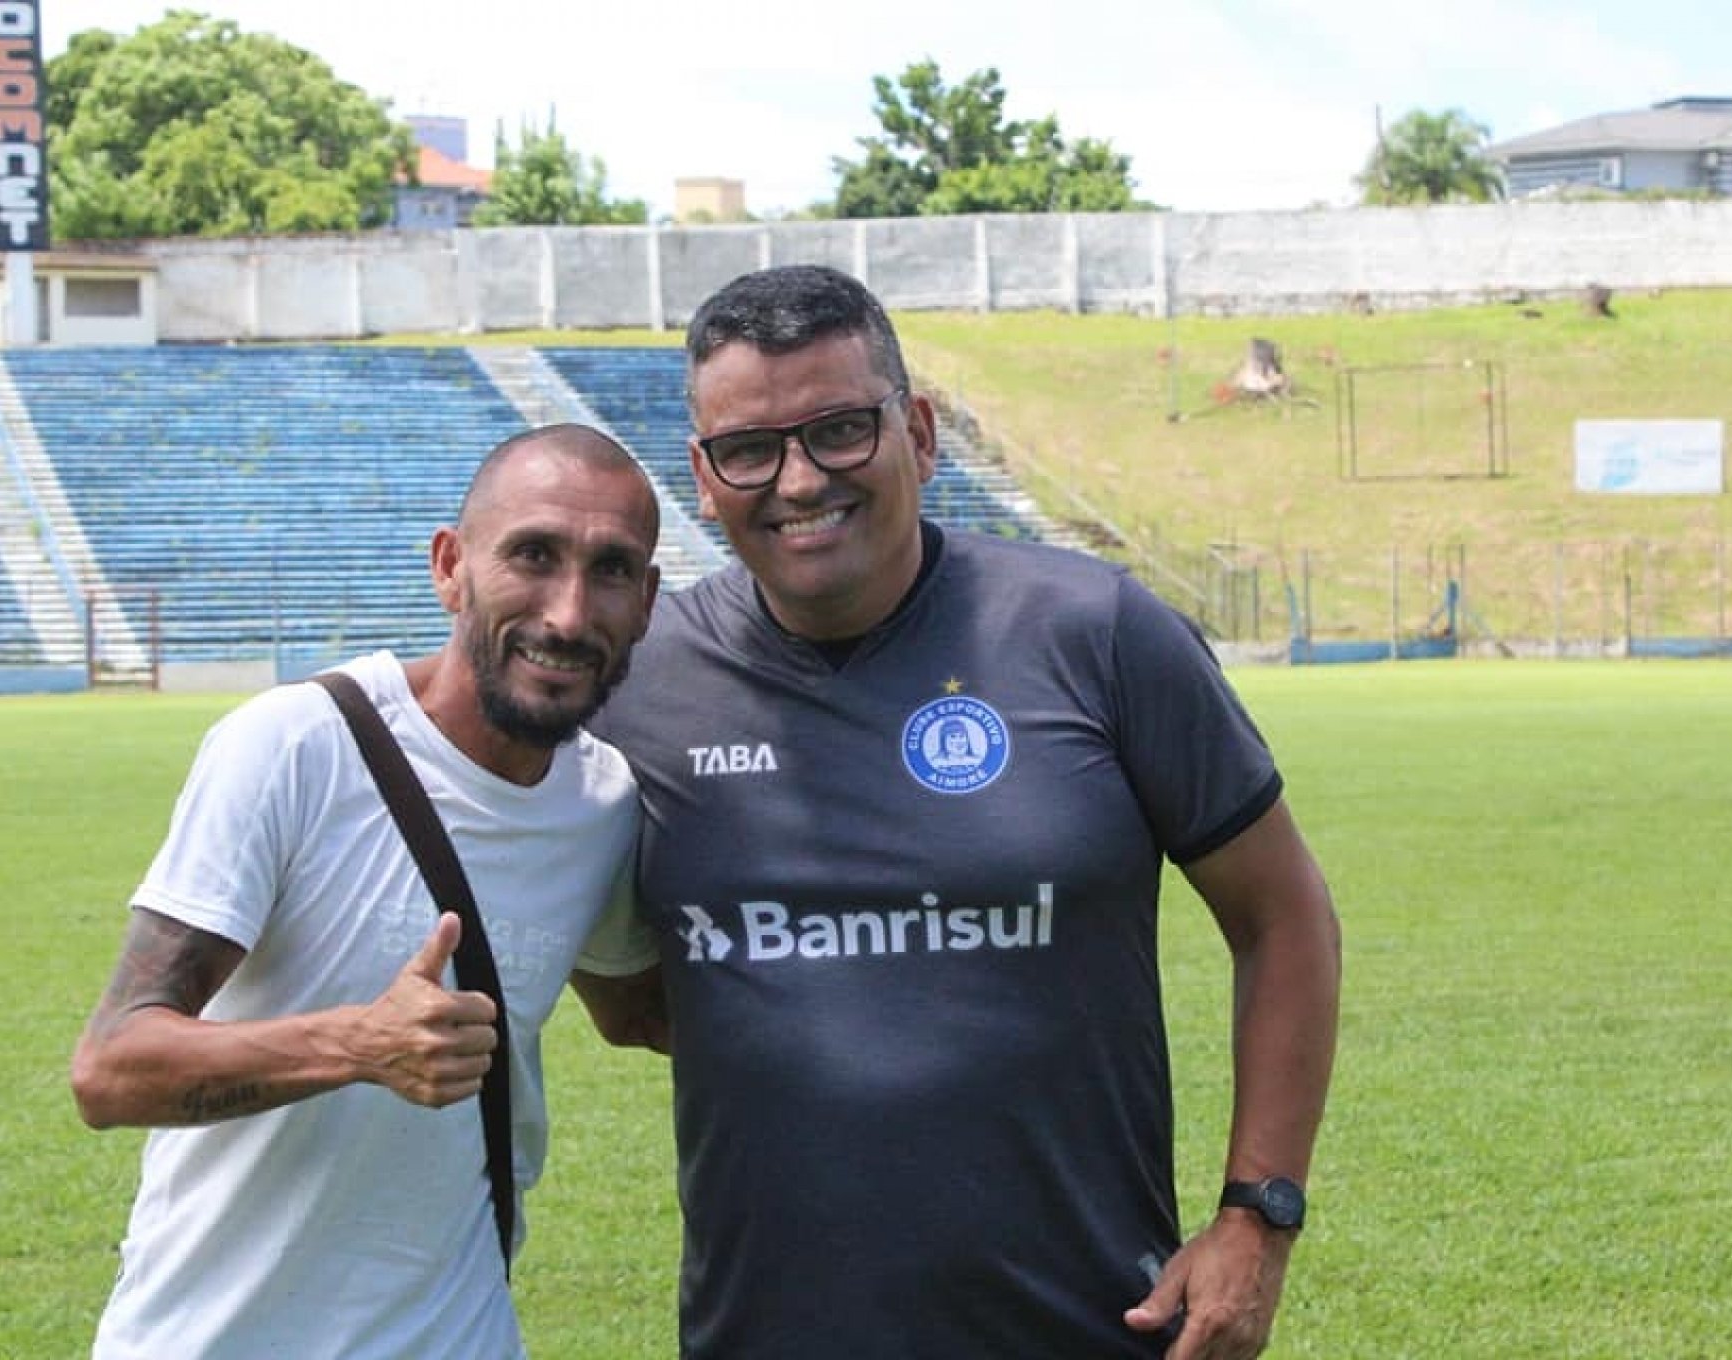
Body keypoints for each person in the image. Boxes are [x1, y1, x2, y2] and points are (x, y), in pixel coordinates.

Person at [573, 264, 1341, 1360]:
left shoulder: (1100, 635)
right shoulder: (638, 685)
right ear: (703, 476)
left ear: (918, 433)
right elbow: (628, 994)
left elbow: (1286, 918)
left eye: (840, 429)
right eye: (750, 449)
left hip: (1094, 1326)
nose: (798, 480)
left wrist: (1257, 1216)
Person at [70, 424, 661, 1359]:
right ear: (450, 565)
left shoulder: (605, 806)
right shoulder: (295, 747)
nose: (567, 612)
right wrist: (354, 1043)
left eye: (612, 570)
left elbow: (650, 1015)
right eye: (533, 556)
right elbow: (110, 1070)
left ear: (648, 602)